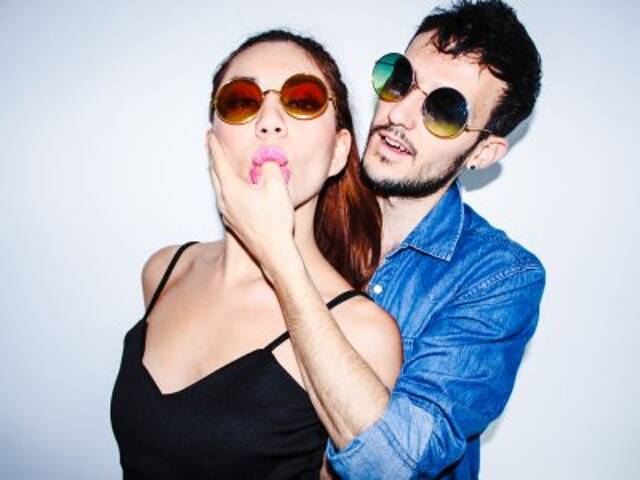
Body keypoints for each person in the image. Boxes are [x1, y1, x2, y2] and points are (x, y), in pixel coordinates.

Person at [209, 1, 546, 478]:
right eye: (400, 80)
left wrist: (281, 260)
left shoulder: (499, 279)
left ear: (483, 152)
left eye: (445, 110)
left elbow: (391, 464)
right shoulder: (307, 197)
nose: (400, 114)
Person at [110, 30, 402, 479]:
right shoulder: (165, 270)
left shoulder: (364, 333)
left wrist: (277, 254)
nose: (269, 121)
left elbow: (381, 466)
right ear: (212, 140)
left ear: (338, 152)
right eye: (242, 101)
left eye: (302, 100)